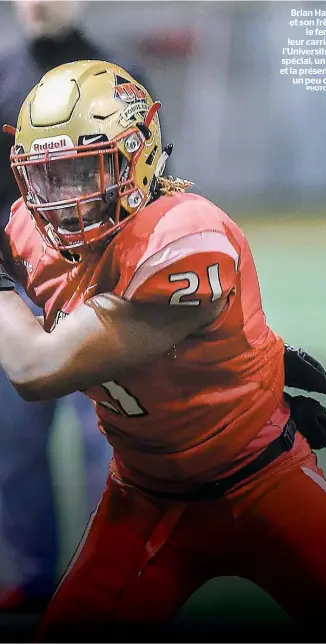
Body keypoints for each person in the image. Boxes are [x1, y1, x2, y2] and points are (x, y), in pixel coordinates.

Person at [0, 59, 326, 643]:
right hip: (143, 495)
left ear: (139, 156)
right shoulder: (28, 230)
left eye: (87, 172)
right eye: (50, 178)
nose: (68, 201)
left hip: (264, 481)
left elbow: (36, 365)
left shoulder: (183, 235)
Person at [0, 0, 154, 612]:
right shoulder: (2, 78)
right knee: (13, 446)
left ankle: (111, 576)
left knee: (112, 444)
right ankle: (32, 572)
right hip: (18, 292)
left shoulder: (120, 74)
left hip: (100, 286)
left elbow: (151, 181)